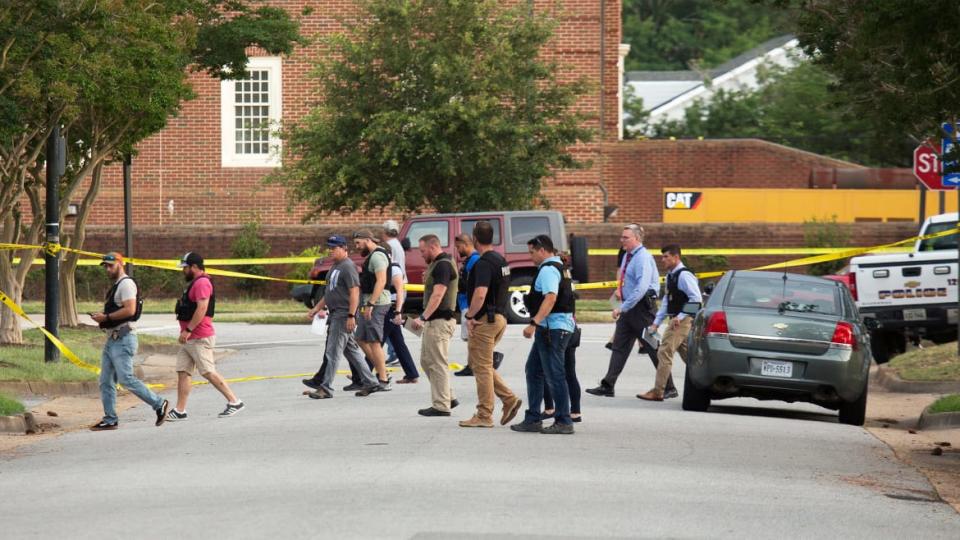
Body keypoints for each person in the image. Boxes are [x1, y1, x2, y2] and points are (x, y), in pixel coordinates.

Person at [89, 252, 169, 431]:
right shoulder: (118, 285)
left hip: (123, 339)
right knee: (105, 381)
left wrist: (106, 317)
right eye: (106, 266)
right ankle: (110, 419)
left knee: (126, 379)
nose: (108, 269)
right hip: (113, 340)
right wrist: (103, 319)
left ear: (120, 263)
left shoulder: (126, 284)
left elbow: (130, 310)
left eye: (111, 265)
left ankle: (159, 404)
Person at [165, 252, 244, 421]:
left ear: (194, 267)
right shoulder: (195, 283)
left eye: (185, 268)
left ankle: (234, 401)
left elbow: (202, 308)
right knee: (183, 371)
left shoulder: (202, 283)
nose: (183, 271)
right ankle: (180, 410)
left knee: (208, 371)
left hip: (199, 336)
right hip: (190, 339)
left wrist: (189, 330)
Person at [510, 235, 576, 435]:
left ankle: (563, 420)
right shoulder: (560, 267)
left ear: (542, 250)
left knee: (555, 375)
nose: (530, 256)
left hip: (551, 329)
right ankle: (533, 418)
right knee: (534, 370)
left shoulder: (548, 270)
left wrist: (534, 322)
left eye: (531, 252)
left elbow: (550, 298)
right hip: (554, 327)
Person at [302, 236, 382, 398]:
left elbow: (354, 292)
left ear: (344, 248)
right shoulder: (335, 267)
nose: (331, 250)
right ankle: (371, 381)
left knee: (332, 352)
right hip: (336, 313)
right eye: (329, 247)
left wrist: (351, 315)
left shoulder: (348, 267)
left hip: (343, 314)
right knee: (352, 351)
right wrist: (317, 308)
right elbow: (329, 292)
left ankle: (326, 388)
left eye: (334, 247)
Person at [460, 221, 522, 428]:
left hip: (486, 319)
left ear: (475, 239)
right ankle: (508, 399)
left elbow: (480, 293)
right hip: (500, 317)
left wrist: (470, 316)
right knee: (482, 364)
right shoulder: (500, 260)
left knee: (482, 368)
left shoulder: (484, 263)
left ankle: (485, 414)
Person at [586, 225, 659, 397]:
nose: (622, 240)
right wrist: (620, 293)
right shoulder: (628, 255)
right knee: (619, 346)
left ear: (637, 239)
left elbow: (641, 288)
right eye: (622, 237)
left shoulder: (643, 258)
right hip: (629, 308)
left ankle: (668, 385)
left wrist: (623, 308)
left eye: (626, 237)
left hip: (642, 309)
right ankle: (608, 385)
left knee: (653, 346)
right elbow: (626, 278)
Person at [638, 244, 702, 401]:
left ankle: (658, 391)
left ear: (676, 257)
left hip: (681, 321)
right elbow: (667, 300)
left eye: (666, 256)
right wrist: (656, 323)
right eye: (662, 256)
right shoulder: (671, 276)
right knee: (691, 357)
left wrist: (679, 317)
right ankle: (708, 382)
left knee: (664, 351)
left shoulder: (684, 276)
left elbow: (697, 299)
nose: (663, 260)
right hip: (675, 319)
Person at [410, 234, 461, 416]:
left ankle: (441, 405)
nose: (421, 255)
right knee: (426, 361)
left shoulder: (443, 265)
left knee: (437, 363)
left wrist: (422, 318)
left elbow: (438, 294)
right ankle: (448, 396)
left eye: (423, 251)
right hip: (434, 321)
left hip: (439, 321)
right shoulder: (438, 264)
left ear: (433, 247)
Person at [453, 234, 503, 376]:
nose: (457, 250)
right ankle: (472, 364)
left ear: (465, 244)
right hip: (464, 302)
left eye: (458, 247)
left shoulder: (475, 260)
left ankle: (486, 359)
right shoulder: (470, 260)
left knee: (473, 337)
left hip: (470, 304)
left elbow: (475, 283)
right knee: (470, 338)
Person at [352, 230, 392, 395]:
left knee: (374, 341)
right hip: (369, 302)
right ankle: (382, 371)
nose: (356, 246)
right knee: (360, 338)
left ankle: (383, 380)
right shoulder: (372, 256)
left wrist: (371, 304)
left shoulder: (377, 256)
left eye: (358, 243)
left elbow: (381, 280)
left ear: (368, 240)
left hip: (378, 303)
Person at [383, 258, 419, 383]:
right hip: (389, 308)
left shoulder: (394, 269)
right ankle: (411, 374)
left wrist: (398, 311)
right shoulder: (386, 268)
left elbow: (399, 291)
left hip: (391, 309)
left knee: (375, 343)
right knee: (398, 344)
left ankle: (361, 375)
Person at [381, 220, 405, 366]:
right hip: (400, 285)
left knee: (387, 324)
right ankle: (397, 354)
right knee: (394, 328)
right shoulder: (398, 244)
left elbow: (390, 267)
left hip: (394, 289)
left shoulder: (389, 246)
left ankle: (393, 353)